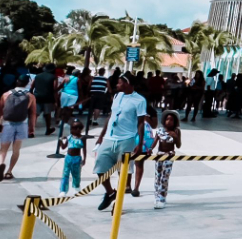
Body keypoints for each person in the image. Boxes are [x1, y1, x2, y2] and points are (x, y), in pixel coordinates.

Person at [94, 73, 148, 210]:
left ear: (127, 83)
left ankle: (118, 205)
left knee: (123, 173)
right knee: (100, 167)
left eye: (119, 82)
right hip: (109, 138)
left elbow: (141, 123)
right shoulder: (117, 96)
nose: (117, 85)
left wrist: (139, 144)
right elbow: (111, 116)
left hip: (127, 139)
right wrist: (101, 134)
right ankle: (110, 192)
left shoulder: (140, 100)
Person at [0, 75, 36, 181]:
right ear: (27, 83)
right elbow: (33, 113)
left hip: (8, 124)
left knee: (3, 149)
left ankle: (1, 164)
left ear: (17, 81)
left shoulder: (6, 94)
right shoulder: (30, 96)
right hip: (22, 124)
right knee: (16, 150)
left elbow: (0, 110)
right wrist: (32, 127)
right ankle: (9, 172)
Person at [151, 109, 181, 208]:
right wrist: (149, 149)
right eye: (167, 119)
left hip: (169, 155)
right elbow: (155, 142)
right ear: (164, 120)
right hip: (159, 155)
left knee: (165, 177)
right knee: (158, 176)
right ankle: (156, 197)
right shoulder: (160, 130)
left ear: (175, 121)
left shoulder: (176, 131)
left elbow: (179, 145)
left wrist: (175, 137)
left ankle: (162, 198)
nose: (169, 121)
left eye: (171, 120)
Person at [60, 118, 86, 194]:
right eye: (73, 128)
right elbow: (63, 147)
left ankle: (76, 186)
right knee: (65, 173)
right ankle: (63, 190)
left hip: (77, 158)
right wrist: (60, 141)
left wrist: (84, 159)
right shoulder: (69, 137)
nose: (74, 130)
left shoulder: (82, 138)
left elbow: (84, 149)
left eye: (77, 128)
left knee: (76, 173)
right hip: (68, 157)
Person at [33, 62, 58, 135]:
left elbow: (32, 86)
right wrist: (56, 100)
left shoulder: (37, 76)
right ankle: (48, 129)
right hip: (48, 97)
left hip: (37, 97)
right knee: (47, 114)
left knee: (35, 114)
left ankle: (30, 130)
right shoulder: (53, 77)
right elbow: (54, 89)